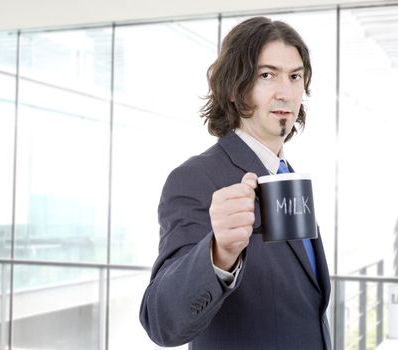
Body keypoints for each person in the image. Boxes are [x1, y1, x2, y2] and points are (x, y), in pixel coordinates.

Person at [140, 16, 331, 349]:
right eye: (266, 75)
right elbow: (162, 321)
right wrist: (218, 253)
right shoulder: (196, 178)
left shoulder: (285, 175)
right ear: (233, 88)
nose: (285, 92)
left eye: (295, 76)